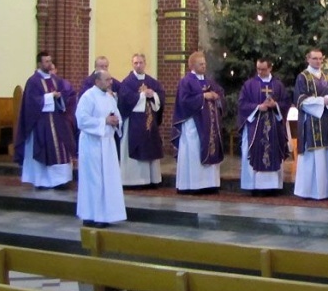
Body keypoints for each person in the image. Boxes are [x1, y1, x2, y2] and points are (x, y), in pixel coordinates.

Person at [13, 51, 75, 189]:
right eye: (46, 61)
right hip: (40, 123)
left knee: (62, 149)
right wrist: (49, 96)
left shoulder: (56, 80)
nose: (49, 64)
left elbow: (65, 96)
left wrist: (59, 97)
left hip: (57, 121)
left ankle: (61, 181)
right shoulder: (33, 81)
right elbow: (31, 103)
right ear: (39, 63)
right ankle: (42, 181)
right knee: (43, 149)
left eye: (50, 61)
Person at [75, 69, 126, 228]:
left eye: (110, 79)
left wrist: (116, 121)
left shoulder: (110, 97)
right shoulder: (88, 97)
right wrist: (104, 121)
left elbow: (117, 116)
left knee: (108, 180)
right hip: (92, 144)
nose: (111, 82)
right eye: (107, 79)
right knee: (94, 180)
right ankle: (91, 215)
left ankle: (105, 214)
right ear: (97, 81)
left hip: (108, 144)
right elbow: (81, 120)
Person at [171, 51, 225, 194]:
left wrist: (216, 96)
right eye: (201, 64)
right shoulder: (186, 81)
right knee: (194, 153)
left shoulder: (208, 81)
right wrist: (203, 96)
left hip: (210, 125)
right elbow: (183, 101)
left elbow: (220, 92)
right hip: (193, 126)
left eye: (204, 63)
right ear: (192, 66)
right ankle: (193, 184)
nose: (204, 66)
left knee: (210, 147)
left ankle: (210, 184)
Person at [294, 48, 328, 200]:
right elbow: (300, 99)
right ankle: (309, 191)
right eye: (315, 58)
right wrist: (323, 101)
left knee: (327, 155)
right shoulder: (303, 77)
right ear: (308, 59)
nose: (318, 61)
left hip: (327, 121)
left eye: (320, 59)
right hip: (311, 121)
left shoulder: (327, 76)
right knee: (313, 156)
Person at [238, 58, 291, 194]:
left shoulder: (278, 85)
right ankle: (254, 187)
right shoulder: (249, 85)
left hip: (274, 128)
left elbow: (286, 103)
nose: (260, 72)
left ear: (270, 68)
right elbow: (242, 104)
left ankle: (272, 187)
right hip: (255, 127)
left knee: (272, 152)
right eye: (258, 69)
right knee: (255, 151)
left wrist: (276, 105)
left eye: (263, 69)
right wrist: (257, 107)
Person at [117, 53, 165, 188]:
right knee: (135, 147)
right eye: (136, 63)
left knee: (150, 146)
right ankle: (134, 180)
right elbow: (125, 99)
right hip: (134, 122)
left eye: (141, 62)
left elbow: (161, 95)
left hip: (150, 121)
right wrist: (143, 95)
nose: (138, 65)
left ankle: (151, 179)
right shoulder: (127, 82)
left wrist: (154, 95)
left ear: (145, 63)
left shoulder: (152, 81)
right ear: (132, 64)